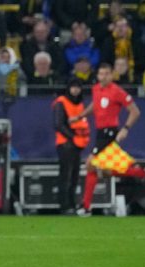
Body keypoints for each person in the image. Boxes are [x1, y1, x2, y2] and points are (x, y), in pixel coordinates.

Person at [72, 63, 145, 216]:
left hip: (110, 133)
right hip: (100, 133)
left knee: (90, 164)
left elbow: (135, 111)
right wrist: (81, 116)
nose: (103, 77)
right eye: (100, 74)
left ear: (112, 75)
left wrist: (125, 128)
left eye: (106, 74)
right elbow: (95, 105)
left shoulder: (117, 91)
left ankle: (86, 207)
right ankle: (143, 173)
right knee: (105, 170)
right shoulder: (96, 88)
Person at [52, 79, 89, 214]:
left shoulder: (79, 104)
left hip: (76, 144)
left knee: (74, 176)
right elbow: (58, 124)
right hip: (66, 144)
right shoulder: (61, 102)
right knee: (66, 175)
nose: (75, 90)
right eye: (73, 87)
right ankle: (64, 205)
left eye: (78, 87)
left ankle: (72, 204)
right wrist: (73, 137)